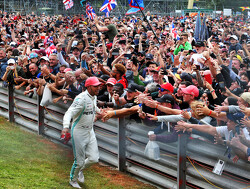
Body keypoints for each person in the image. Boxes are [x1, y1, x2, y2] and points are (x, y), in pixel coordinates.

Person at [61, 77, 103, 189]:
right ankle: (72, 180)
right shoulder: (80, 99)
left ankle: (80, 170)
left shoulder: (94, 96)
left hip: (90, 130)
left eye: (98, 85)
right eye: (95, 86)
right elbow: (69, 112)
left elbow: (94, 107)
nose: (98, 88)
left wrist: (101, 112)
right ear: (88, 87)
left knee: (94, 158)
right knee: (79, 161)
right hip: (79, 131)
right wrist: (65, 127)